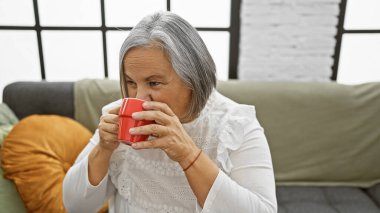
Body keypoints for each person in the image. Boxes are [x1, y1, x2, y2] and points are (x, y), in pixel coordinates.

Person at [63, 11, 277, 213]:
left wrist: (187, 154)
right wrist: (103, 148)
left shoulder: (235, 126)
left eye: (154, 83)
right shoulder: (118, 116)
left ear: (193, 79)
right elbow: (74, 206)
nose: (139, 98)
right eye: (131, 82)